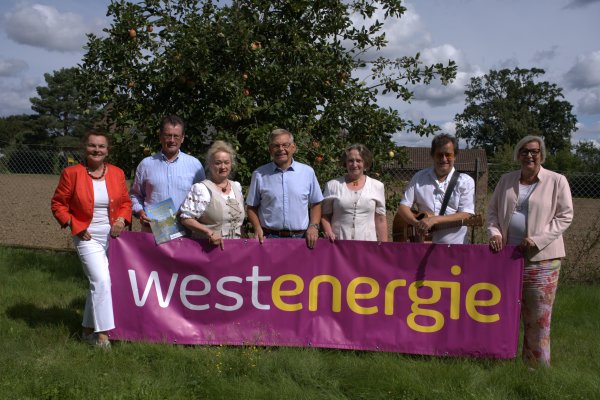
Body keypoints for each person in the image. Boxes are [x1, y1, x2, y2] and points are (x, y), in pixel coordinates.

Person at [487, 135, 573, 367]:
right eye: (524, 151)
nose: (529, 155)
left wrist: (537, 240)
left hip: (542, 260)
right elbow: (493, 212)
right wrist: (494, 233)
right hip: (507, 258)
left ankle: (536, 368)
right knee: (501, 314)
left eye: (534, 151)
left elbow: (565, 216)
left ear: (542, 155)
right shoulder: (506, 180)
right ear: (518, 155)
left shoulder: (557, 181)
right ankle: (499, 361)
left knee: (538, 319)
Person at [51, 130, 132, 348]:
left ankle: (87, 330)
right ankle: (103, 337)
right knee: (102, 281)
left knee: (98, 284)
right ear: (85, 147)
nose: (97, 150)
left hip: (113, 238)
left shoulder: (117, 173)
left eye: (101, 146)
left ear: (108, 150)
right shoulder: (71, 173)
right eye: (92, 146)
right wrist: (74, 225)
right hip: (86, 237)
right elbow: (58, 204)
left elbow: (126, 203)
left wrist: (122, 220)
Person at [246, 128, 324, 249]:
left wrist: (314, 226)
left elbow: (316, 203)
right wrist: (257, 228)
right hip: (269, 239)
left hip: (301, 240)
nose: (281, 149)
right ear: (270, 149)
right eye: (276, 145)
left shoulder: (307, 172)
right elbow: (251, 207)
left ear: (293, 147)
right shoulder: (259, 174)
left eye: (285, 145)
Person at [396, 133, 475, 244]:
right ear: (432, 155)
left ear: (455, 156)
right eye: (439, 155)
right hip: (422, 247)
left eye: (448, 155)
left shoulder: (465, 181)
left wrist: (435, 219)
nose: (444, 159)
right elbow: (403, 207)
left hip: (454, 249)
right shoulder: (419, 177)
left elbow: (466, 214)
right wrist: (417, 224)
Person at [130, 115, 205, 231]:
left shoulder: (195, 165)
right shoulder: (146, 165)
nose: (172, 140)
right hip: (153, 232)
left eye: (176, 136)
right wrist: (141, 213)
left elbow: (203, 197)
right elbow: (135, 195)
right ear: (160, 137)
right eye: (168, 135)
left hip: (186, 233)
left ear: (183, 138)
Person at [179, 141, 245, 250]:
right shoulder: (201, 189)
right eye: (218, 163)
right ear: (210, 165)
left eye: (226, 162)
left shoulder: (237, 187)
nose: (223, 166)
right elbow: (186, 219)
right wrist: (209, 232)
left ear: (231, 164)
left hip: (235, 251)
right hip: (209, 251)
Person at [321, 144, 388, 242]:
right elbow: (325, 215)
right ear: (346, 163)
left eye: (359, 160)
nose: (354, 164)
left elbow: (381, 219)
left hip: (367, 245)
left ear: (365, 163)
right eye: (351, 161)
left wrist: (384, 247)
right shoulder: (332, 185)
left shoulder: (377, 186)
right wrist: (329, 232)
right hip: (339, 245)